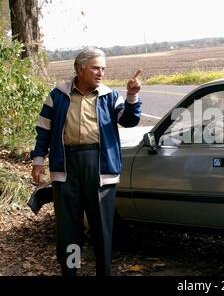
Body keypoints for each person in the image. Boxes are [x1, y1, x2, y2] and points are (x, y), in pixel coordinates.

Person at [30, 47, 142, 276]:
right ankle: (71, 272)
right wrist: (38, 161)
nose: (101, 72)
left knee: (101, 227)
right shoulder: (58, 95)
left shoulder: (110, 96)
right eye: (95, 68)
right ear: (80, 69)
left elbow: (129, 120)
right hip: (66, 167)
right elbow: (43, 130)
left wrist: (132, 97)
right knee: (69, 228)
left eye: (103, 68)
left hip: (100, 167)